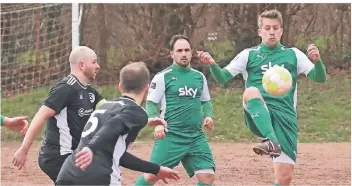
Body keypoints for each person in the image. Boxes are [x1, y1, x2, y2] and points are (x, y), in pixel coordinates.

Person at [197, 9, 327, 186]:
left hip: (285, 117)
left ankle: (273, 142)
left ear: (281, 30)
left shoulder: (293, 54)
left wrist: (317, 61)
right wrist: (212, 64)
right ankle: (271, 140)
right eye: (267, 28)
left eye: (275, 28)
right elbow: (223, 77)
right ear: (260, 32)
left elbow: (320, 77)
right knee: (251, 91)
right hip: (258, 114)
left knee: (284, 179)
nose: (271, 31)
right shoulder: (249, 54)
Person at [56, 62, 180, 185]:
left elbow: (118, 153)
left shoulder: (105, 106)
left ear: (120, 87)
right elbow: (114, 125)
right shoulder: (137, 112)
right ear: (147, 89)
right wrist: (91, 148)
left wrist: (156, 169)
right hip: (99, 176)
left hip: (68, 173)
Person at [12, 46, 106, 183]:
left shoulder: (90, 92)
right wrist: (23, 149)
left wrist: (135, 114)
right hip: (58, 156)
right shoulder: (65, 88)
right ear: (81, 65)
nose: (97, 66)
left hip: (74, 155)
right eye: (94, 62)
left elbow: (110, 109)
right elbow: (41, 116)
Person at [135, 35, 216, 186]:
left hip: (195, 136)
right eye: (179, 50)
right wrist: (158, 124)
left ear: (191, 52)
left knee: (207, 176)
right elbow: (151, 104)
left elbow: (206, 101)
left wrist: (209, 116)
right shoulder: (162, 77)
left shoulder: (199, 77)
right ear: (172, 54)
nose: (184, 54)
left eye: (187, 50)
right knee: (152, 175)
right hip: (171, 135)